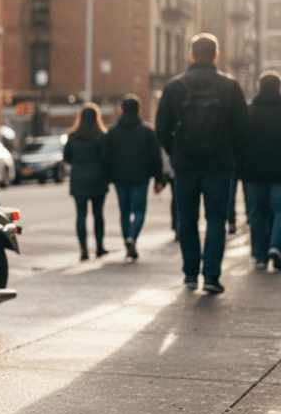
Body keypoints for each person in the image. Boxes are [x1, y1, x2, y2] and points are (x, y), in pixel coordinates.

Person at [155, 33, 248, 294]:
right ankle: (211, 276)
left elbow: (162, 127)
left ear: (191, 55)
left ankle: (189, 274)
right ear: (216, 55)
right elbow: (242, 129)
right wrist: (233, 157)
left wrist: (176, 152)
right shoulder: (230, 87)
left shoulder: (174, 87)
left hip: (185, 164)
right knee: (217, 219)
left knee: (187, 218)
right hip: (220, 164)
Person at [103, 95, 163, 260]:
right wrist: (159, 179)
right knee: (139, 211)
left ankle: (127, 240)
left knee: (124, 212)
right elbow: (155, 157)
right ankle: (132, 238)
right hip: (141, 177)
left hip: (119, 178)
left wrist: (108, 178)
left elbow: (107, 157)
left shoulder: (113, 132)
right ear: (139, 109)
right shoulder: (147, 131)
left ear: (122, 110)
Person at [241, 71, 281, 271]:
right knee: (280, 210)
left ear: (259, 87)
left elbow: (240, 142)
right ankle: (275, 245)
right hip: (279, 174)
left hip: (253, 172)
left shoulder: (248, 111)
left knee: (257, 213)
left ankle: (260, 256)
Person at [63, 103, 109, 261]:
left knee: (81, 215)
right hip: (98, 178)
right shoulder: (101, 136)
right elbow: (106, 157)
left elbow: (66, 157)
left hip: (79, 178)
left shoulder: (73, 136)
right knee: (98, 215)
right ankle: (99, 247)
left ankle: (83, 249)